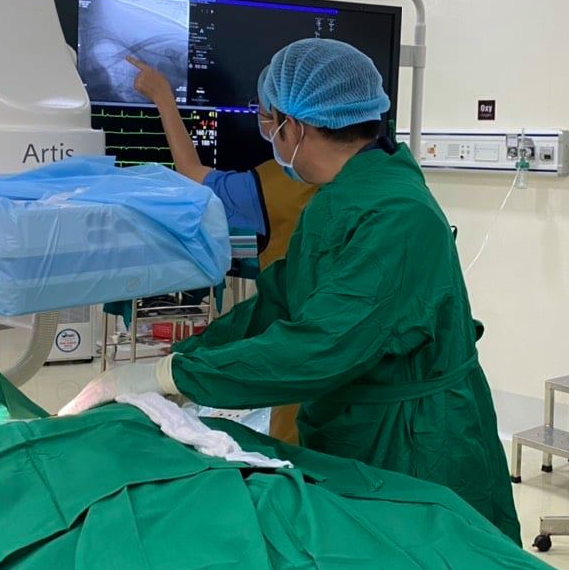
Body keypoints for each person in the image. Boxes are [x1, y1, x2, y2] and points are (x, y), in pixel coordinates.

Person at [63, 38, 522, 544]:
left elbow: (318, 346)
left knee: (425, 569)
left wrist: (173, 375)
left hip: (416, 443)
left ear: (295, 127)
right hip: (357, 425)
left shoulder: (397, 216)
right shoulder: (340, 198)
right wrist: (180, 361)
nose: (267, 132)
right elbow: (279, 302)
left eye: (267, 119)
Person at [126, 54, 316, 442]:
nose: (263, 125)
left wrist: (164, 98)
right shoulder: (391, 178)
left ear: (292, 125)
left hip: (320, 403)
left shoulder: (275, 187)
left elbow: (191, 174)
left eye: (265, 116)